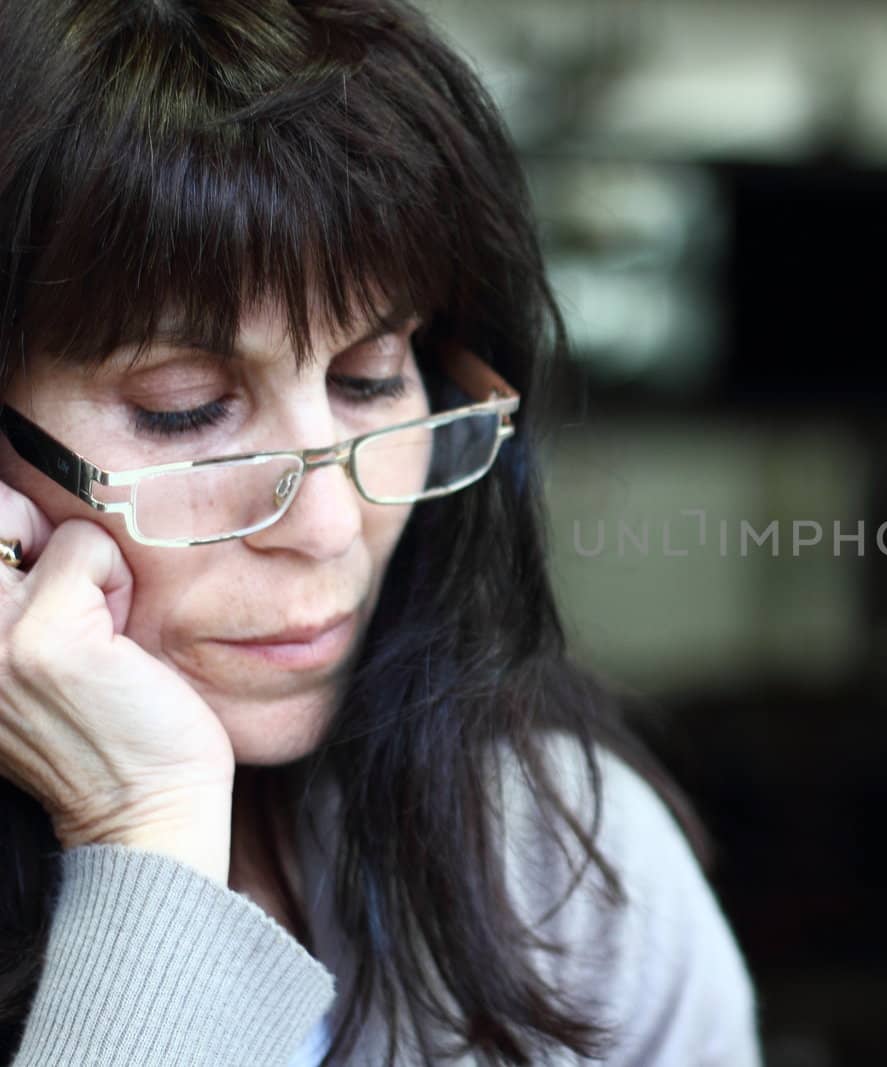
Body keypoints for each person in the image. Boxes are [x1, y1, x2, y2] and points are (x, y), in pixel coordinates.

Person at [0, 0, 761, 1063]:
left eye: (369, 378)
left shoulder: (559, 864)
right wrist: (146, 841)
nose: (326, 523)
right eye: (183, 405)